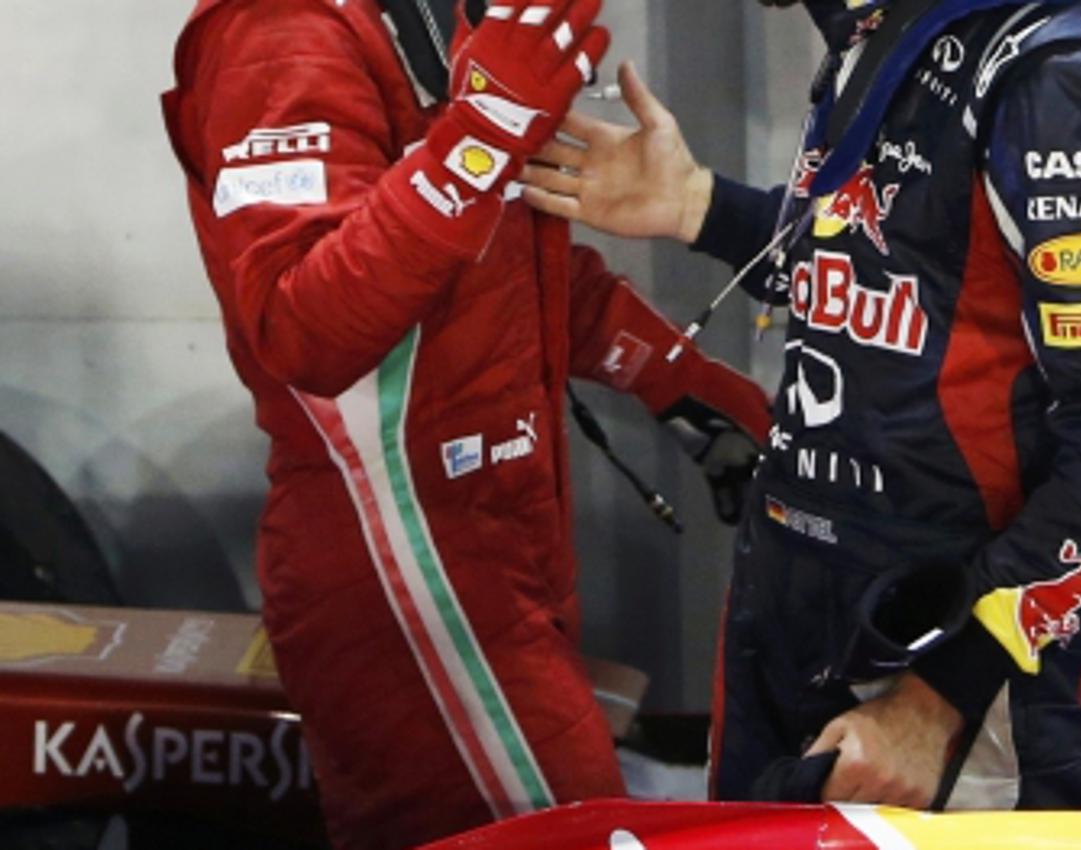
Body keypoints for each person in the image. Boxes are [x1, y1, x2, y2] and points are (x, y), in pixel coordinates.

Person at [522, 0, 1081, 810]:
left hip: (952, 659)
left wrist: (937, 698)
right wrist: (699, 206)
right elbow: (897, 271)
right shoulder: (877, 22)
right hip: (791, 609)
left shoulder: (1060, 74)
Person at [161, 1, 772, 848]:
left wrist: (683, 384)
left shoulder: (425, 13)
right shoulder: (282, 28)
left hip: (499, 539)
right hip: (403, 563)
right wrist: (483, 127)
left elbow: (506, 267)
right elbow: (304, 325)